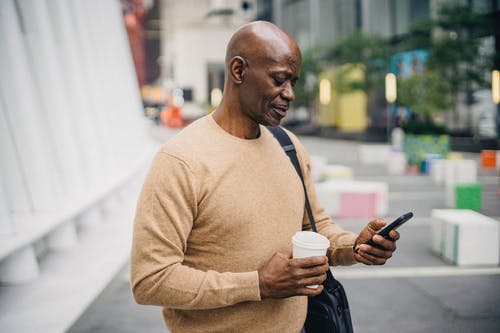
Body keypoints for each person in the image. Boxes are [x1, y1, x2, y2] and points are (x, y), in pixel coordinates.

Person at [131, 21, 400, 333]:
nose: (290, 94)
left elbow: (314, 227)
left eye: (293, 82)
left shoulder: (288, 146)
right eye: (279, 80)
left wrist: (356, 246)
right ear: (239, 71)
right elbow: (150, 279)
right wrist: (257, 283)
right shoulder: (181, 161)